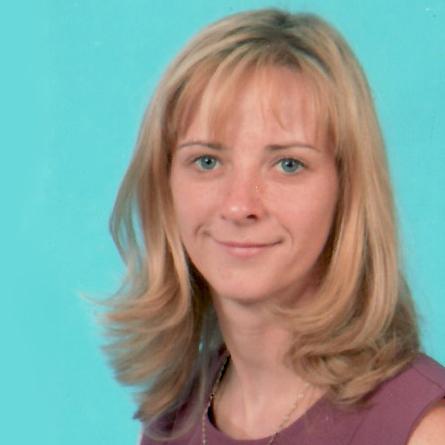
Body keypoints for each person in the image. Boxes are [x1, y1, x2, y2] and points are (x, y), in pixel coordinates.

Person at [101, 8, 445, 445]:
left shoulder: (424, 429)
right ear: (165, 185)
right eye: (206, 161)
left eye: (288, 164)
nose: (239, 205)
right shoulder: (173, 420)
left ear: (347, 192)